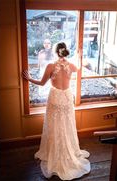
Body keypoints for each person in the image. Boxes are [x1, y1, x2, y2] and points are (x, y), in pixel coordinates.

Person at [23, 42, 90, 180]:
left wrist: (29, 78)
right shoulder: (71, 65)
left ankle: (55, 151)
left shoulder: (51, 66)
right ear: (65, 51)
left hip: (55, 98)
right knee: (67, 124)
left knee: (54, 125)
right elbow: (78, 68)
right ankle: (68, 149)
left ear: (55, 52)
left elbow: (42, 83)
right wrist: (80, 56)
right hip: (66, 97)